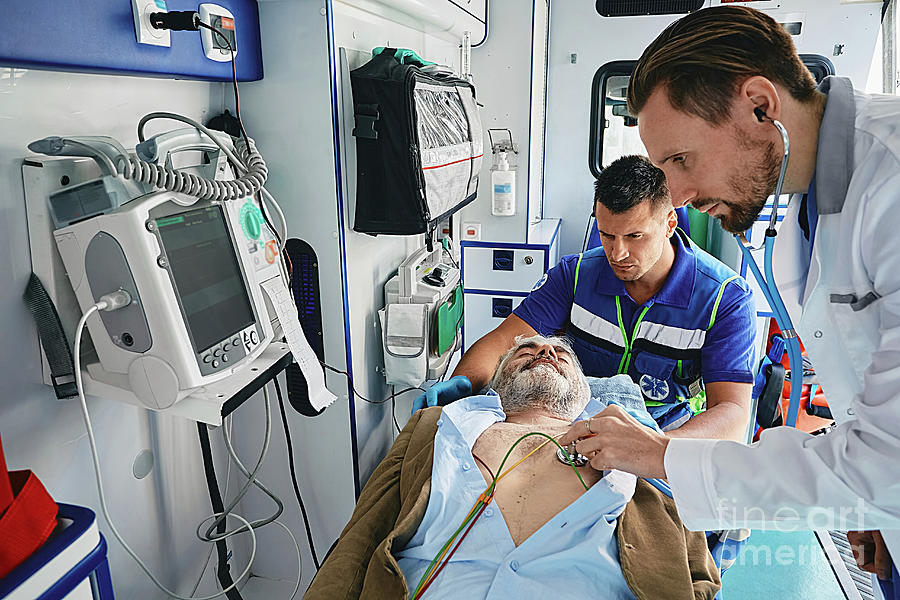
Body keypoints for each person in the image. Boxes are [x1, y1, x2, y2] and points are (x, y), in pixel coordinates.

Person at [558, 5, 900, 593]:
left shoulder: (890, 185)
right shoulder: (805, 205)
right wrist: (870, 513)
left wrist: (658, 456)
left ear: (760, 104)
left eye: (682, 160)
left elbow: (889, 462)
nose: (682, 197)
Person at [306, 335, 720, 600]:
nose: (545, 352)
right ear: (499, 380)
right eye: (527, 350)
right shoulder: (437, 427)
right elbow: (360, 537)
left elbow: (698, 574)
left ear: (582, 392)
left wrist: (660, 454)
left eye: (561, 354)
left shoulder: (637, 450)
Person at [416, 155, 756, 441]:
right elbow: (502, 342)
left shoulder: (725, 300)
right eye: (607, 235)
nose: (617, 253)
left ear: (669, 224)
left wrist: (656, 448)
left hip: (666, 430)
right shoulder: (575, 275)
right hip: (572, 423)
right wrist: (462, 387)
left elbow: (732, 413)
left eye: (635, 236)